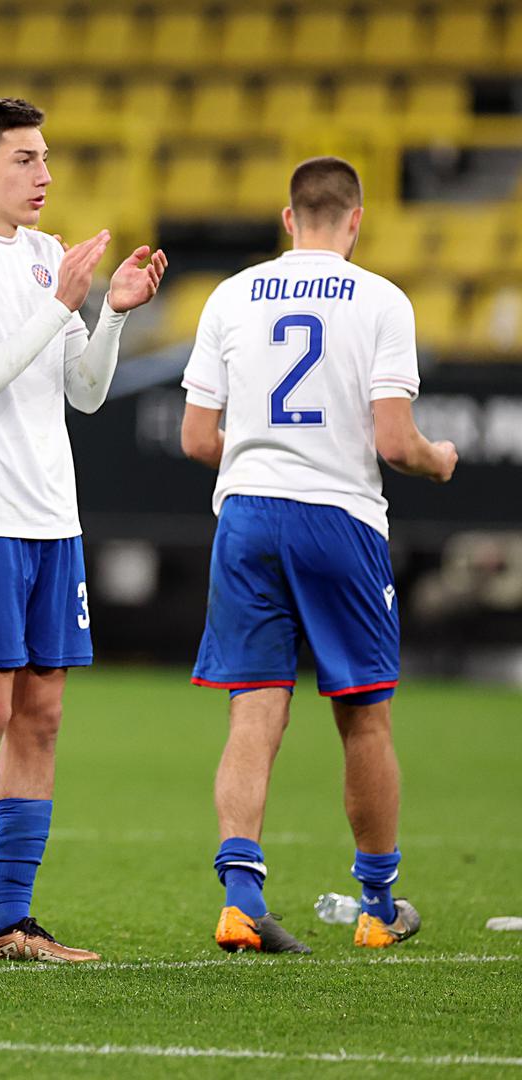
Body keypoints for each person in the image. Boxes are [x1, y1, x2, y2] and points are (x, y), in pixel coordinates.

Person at [0, 97, 165, 964]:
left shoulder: (50, 258)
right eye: (24, 159)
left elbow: (83, 391)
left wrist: (113, 311)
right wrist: (59, 306)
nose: (44, 174)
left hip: (53, 518)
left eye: (45, 158)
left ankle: (12, 919)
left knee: (41, 715)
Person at [181, 156, 455, 954]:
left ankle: (240, 897)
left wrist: (260, 457)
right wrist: (438, 458)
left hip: (248, 515)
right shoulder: (381, 299)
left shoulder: (230, 295)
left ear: (287, 216)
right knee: (364, 715)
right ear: (355, 219)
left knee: (254, 707)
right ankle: (376, 905)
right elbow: (394, 441)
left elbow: (199, 438)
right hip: (338, 517)